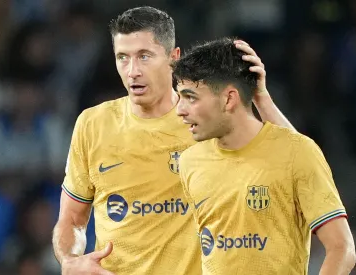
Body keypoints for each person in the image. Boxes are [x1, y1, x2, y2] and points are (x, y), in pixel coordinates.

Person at [51, 6, 294, 275]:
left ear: (173, 58)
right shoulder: (93, 124)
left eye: (144, 56)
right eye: (123, 57)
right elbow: (72, 219)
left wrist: (260, 97)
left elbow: (297, 165)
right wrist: (70, 259)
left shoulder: (209, 119)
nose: (132, 71)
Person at [174, 37, 356, 275]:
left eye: (190, 97)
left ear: (229, 98)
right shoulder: (190, 162)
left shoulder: (295, 153)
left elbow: (341, 248)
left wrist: (262, 98)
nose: (179, 110)